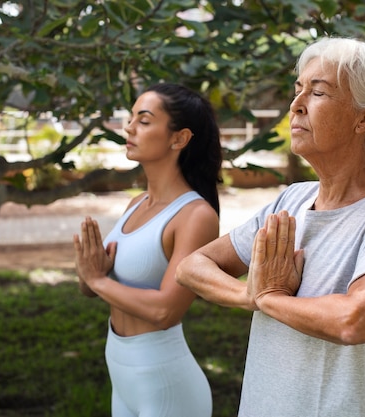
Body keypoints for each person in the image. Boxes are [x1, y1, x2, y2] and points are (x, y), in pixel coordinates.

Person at [176, 37, 365, 417]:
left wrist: (271, 298)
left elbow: (354, 320)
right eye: (298, 91)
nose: (296, 105)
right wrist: (251, 295)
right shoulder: (290, 201)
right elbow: (191, 267)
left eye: (318, 92)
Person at [73, 82, 222, 417]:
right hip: (122, 373)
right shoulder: (136, 203)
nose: (129, 127)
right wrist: (89, 273)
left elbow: (166, 311)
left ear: (179, 138)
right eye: (131, 118)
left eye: (143, 120)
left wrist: (98, 282)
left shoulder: (196, 216)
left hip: (167, 385)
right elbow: (93, 286)